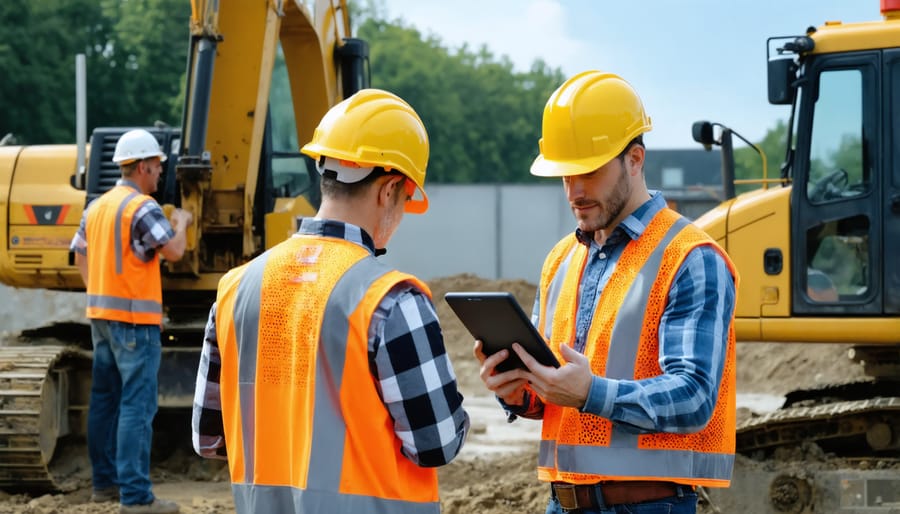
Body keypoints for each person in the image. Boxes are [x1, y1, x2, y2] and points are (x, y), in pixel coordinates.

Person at [191, 88, 470, 513]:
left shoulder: (236, 288)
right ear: (390, 188)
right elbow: (437, 443)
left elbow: (208, 439)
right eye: (407, 198)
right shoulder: (389, 299)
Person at [474, 71, 738, 514]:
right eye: (565, 175)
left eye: (590, 171)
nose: (575, 191)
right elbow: (553, 395)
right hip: (562, 502)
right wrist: (517, 390)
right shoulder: (561, 259)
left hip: (648, 506)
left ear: (634, 160)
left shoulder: (690, 257)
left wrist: (590, 393)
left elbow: (694, 396)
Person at [71, 128, 192, 514]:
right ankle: (136, 497)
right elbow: (173, 251)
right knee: (137, 408)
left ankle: (104, 485)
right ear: (141, 167)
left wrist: (97, 294)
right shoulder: (142, 207)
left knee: (104, 402)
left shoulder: (98, 206)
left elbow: (80, 255)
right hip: (134, 324)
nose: (160, 174)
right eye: (157, 167)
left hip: (101, 320)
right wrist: (184, 223)